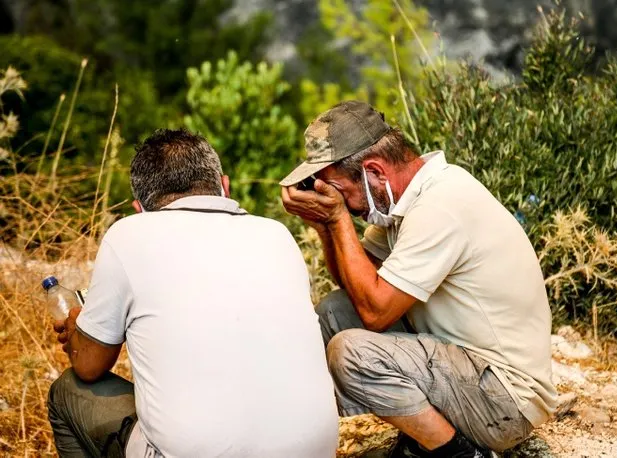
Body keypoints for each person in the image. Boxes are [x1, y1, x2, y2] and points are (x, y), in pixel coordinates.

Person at [281, 101, 557, 457]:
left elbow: (376, 311)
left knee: (351, 352)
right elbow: (357, 285)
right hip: (465, 367)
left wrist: (338, 221)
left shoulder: (439, 206)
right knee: (335, 311)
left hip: (503, 399)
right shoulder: (405, 202)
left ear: (374, 172)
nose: (344, 204)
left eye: (339, 191)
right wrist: (325, 227)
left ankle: (456, 452)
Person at [48, 128, 338, 458]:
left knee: (66, 392)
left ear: (139, 208)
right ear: (224, 186)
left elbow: (88, 367)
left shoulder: (128, 235)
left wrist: (78, 331)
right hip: (314, 452)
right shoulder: (277, 235)